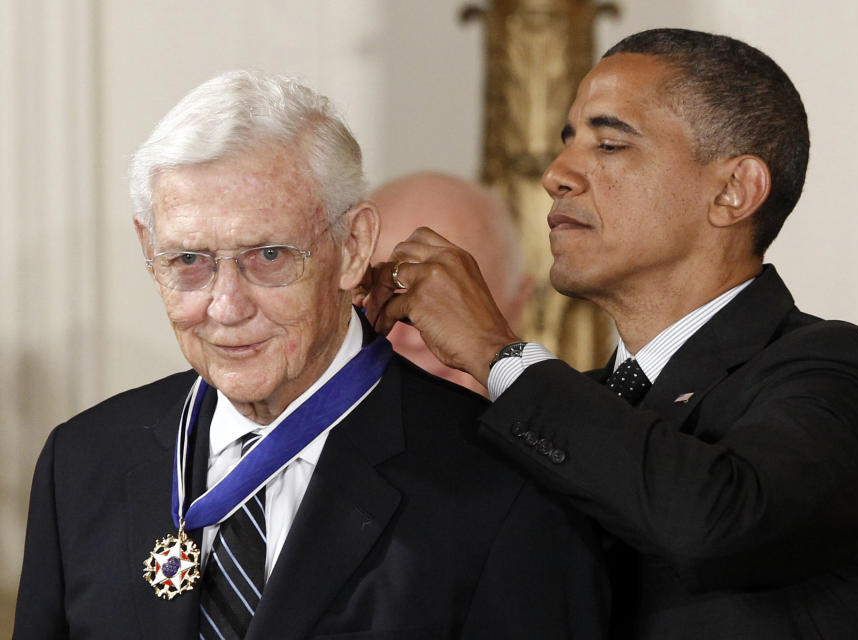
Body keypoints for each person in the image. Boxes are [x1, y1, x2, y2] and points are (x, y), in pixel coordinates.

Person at [13, 70, 607, 639]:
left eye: (268, 256)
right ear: (150, 248)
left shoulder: (505, 484)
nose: (225, 307)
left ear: (353, 249)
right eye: (189, 261)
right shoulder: (84, 462)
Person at [363, 29, 858, 638]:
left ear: (733, 191)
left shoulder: (832, 370)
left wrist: (496, 352)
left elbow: (715, 521)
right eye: (567, 141)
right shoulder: (563, 408)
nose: (556, 174)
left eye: (610, 144)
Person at [372, 171, 532, 395]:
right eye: (381, 294)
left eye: (445, 297)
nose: (411, 339)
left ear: (518, 306)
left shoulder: (566, 425)